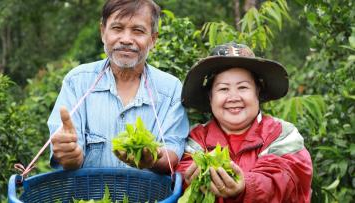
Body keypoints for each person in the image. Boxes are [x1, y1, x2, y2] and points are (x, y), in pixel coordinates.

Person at [48, 0, 189, 174]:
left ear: (153, 39)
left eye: (138, 31)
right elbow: (68, 154)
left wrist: (153, 159)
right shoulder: (77, 82)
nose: (126, 40)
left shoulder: (170, 89)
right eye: (117, 28)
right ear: (103, 32)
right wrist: (71, 155)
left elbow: (172, 153)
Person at [176, 42, 312, 202]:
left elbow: (285, 179)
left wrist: (246, 186)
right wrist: (188, 179)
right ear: (210, 97)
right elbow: (180, 172)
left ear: (257, 92)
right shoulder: (197, 139)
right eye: (223, 89)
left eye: (243, 88)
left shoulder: (282, 134)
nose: (233, 97)